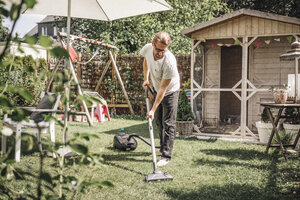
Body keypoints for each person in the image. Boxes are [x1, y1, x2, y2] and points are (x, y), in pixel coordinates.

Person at [140, 32, 180, 167]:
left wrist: (152, 109)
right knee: (158, 121)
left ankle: (166, 156)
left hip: (170, 91)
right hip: (157, 89)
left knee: (168, 123)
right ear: (153, 44)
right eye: (158, 49)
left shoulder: (169, 61)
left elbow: (163, 89)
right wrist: (146, 78)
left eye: (163, 50)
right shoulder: (147, 49)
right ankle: (162, 148)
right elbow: (146, 60)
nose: (160, 53)